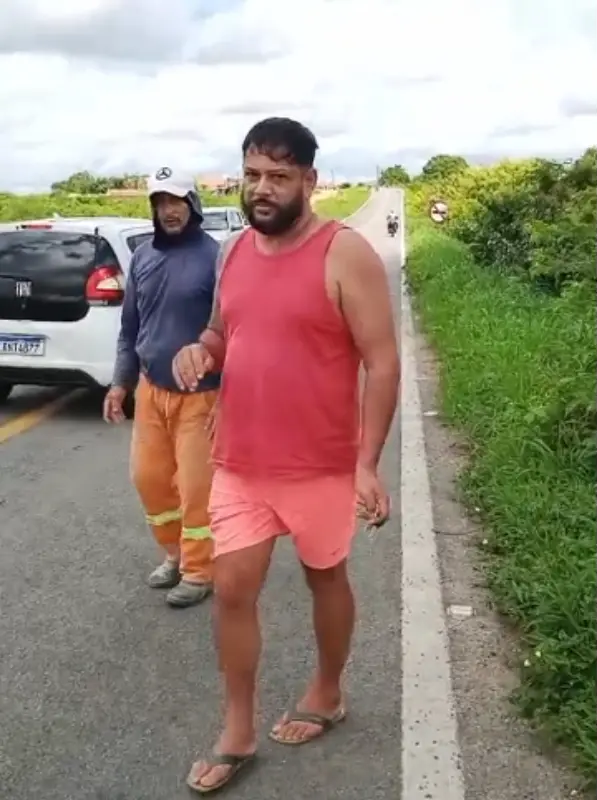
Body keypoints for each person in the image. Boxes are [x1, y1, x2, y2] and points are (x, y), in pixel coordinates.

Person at [175, 117, 400, 794]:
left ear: (310, 179)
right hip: (240, 461)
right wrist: (200, 350)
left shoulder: (345, 253)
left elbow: (382, 363)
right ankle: (237, 731)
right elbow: (221, 328)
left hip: (322, 467)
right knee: (233, 593)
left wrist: (367, 463)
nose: (261, 190)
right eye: (251, 176)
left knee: (324, 579)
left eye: (277, 177)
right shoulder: (235, 251)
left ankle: (327, 691)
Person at [104, 166, 220, 609]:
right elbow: (130, 327)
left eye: (176, 201)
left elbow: (233, 331)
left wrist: (228, 392)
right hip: (151, 392)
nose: (169, 211)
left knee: (195, 488)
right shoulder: (144, 258)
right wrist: (120, 383)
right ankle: (173, 556)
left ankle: (199, 570)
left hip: (200, 394)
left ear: (193, 203)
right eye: (160, 203)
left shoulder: (216, 258)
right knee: (149, 479)